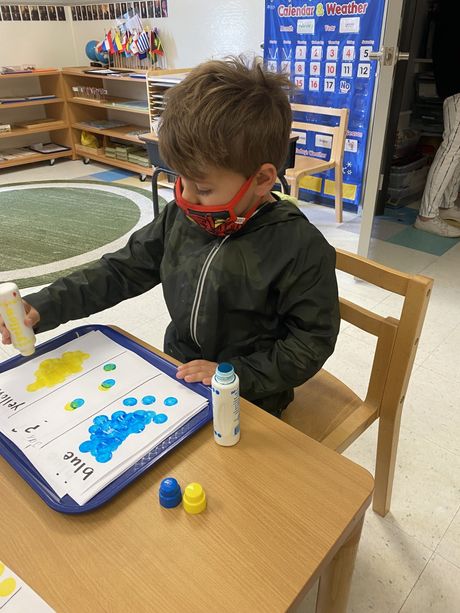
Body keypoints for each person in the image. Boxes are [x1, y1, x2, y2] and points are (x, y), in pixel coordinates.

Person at [0, 58, 340, 417]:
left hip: (251, 394)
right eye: (181, 179)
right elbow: (121, 271)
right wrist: (45, 305)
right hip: (177, 367)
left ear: (261, 179)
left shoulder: (299, 247)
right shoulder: (183, 215)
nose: (187, 199)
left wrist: (232, 375)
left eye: (204, 189)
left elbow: (310, 342)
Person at [415, 0, 460, 237]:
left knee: (457, 147)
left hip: (452, 80)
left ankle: (445, 205)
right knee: (453, 145)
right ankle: (427, 215)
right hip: (456, 83)